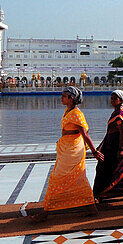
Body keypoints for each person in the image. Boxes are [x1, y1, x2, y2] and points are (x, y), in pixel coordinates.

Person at [27, 86, 100, 220]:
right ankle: (91, 207)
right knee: (79, 177)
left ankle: (46, 212)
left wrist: (94, 151)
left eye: (64, 96)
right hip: (67, 148)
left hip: (73, 150)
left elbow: (85, 134)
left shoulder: (76, 114)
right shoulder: (68, 111)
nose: (61, 98)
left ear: (71, 98)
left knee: (57, 177)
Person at [92, 90, 123, 201]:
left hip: (116, 148)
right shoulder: (116, 113)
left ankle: (100, 194)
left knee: (109, 169)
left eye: (115, 98)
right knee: (114, 170)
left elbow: (122, 133)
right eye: (111, 98)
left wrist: (121, 149)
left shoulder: (120, 114)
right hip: (110, 146)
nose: (112, 100)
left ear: (120, 101)